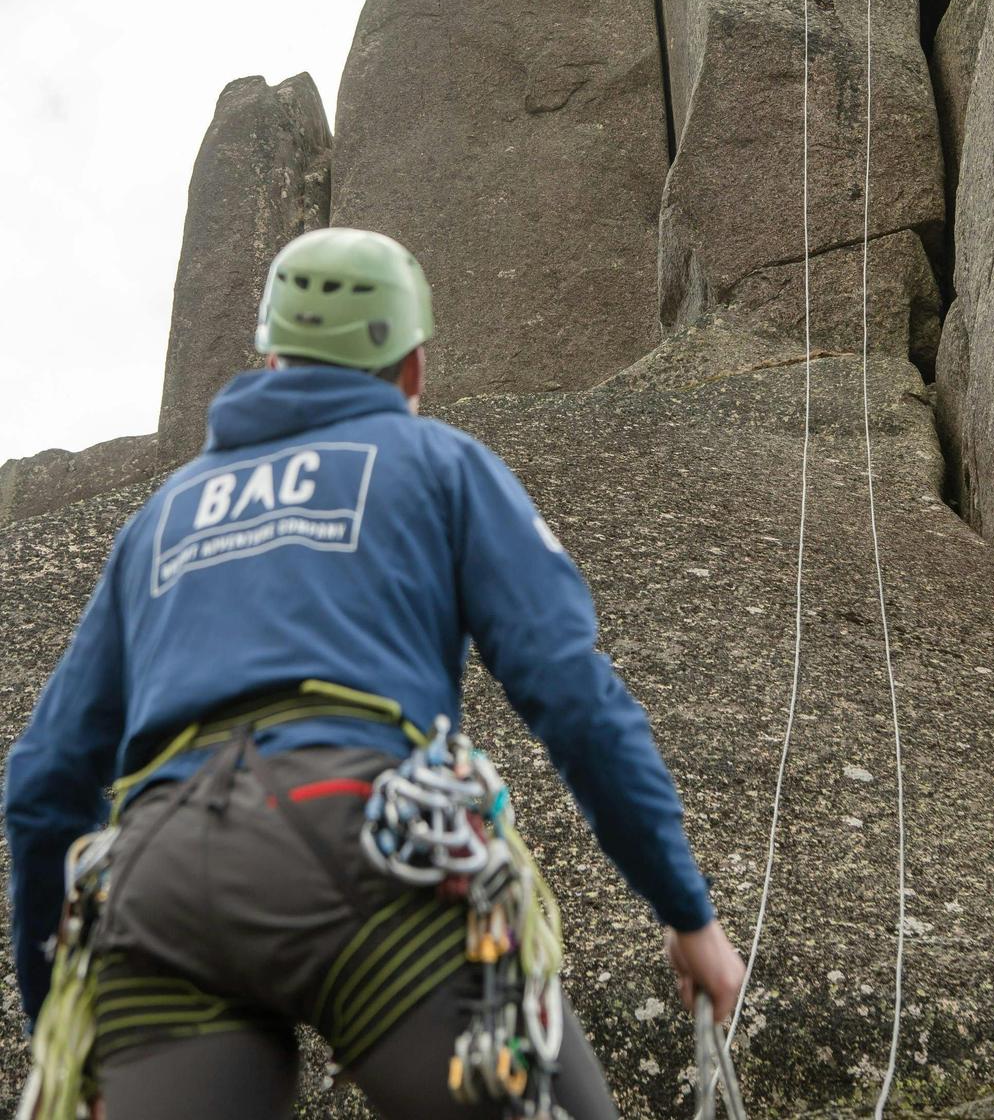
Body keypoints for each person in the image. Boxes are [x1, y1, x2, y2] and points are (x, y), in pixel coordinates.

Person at [5, 227, 746, 1120]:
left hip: (161, 891)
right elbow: (571, 693)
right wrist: (686, 911)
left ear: (271, 357)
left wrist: (64, 1018)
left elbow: (43, 781)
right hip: (356, 839)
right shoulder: (439, 465)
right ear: (412, 368)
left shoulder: (162, 518)